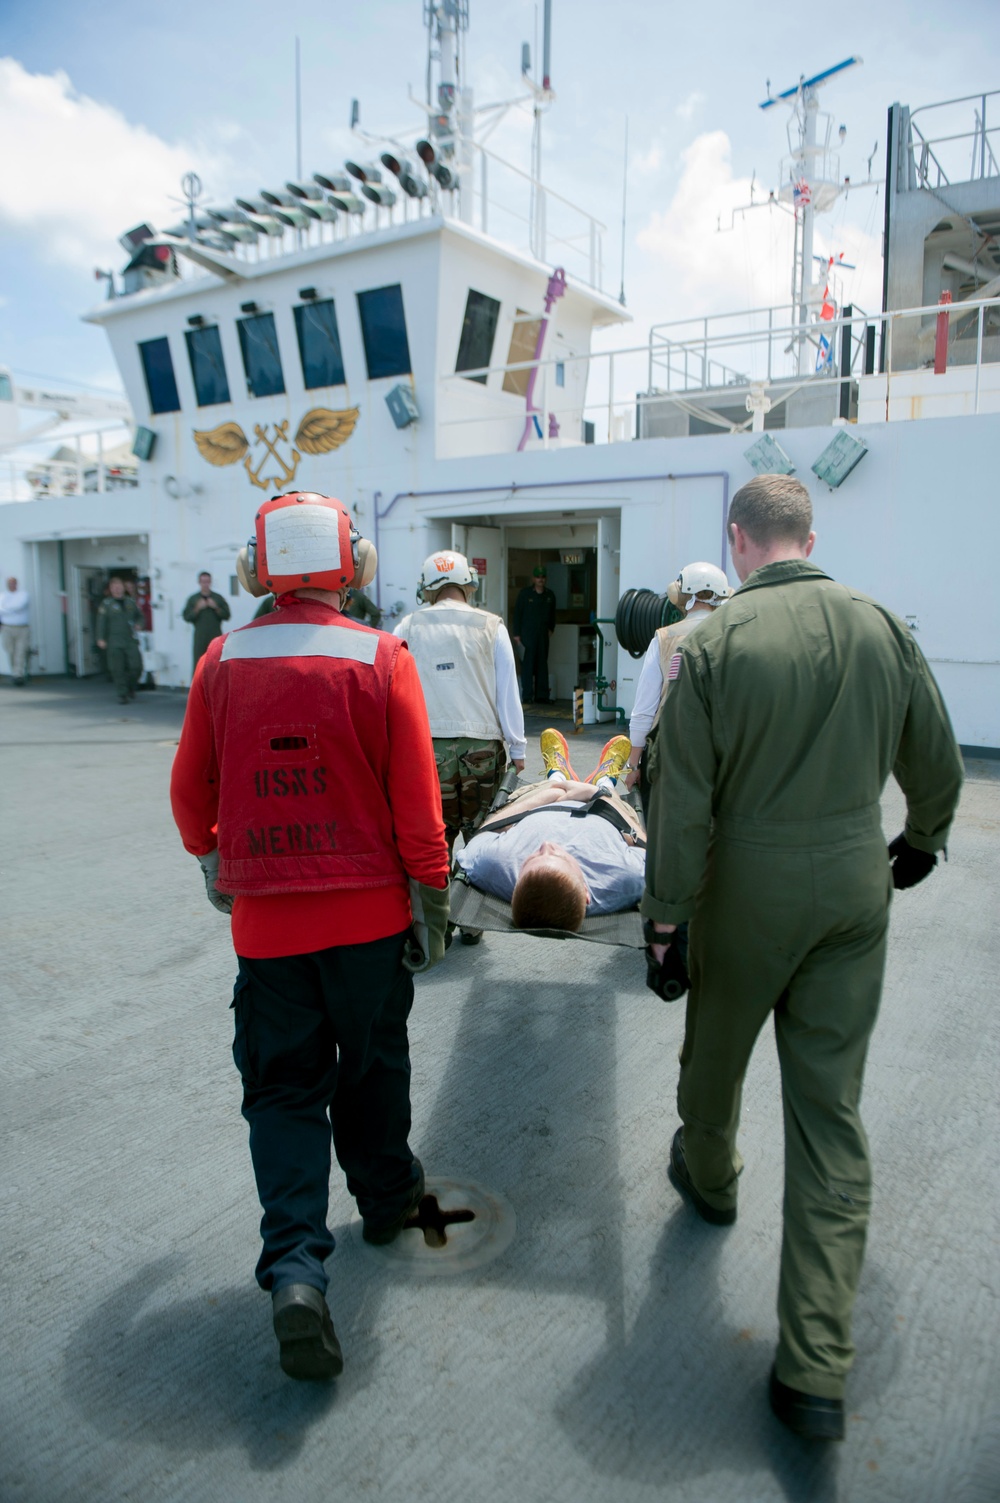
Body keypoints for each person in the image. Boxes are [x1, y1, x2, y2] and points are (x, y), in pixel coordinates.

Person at [641, 473, 964, 1441]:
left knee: (715, 1057)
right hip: (852, 883)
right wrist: (920, 838)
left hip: (746, 888)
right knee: (830, 1114)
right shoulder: (881, 626)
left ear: (738, 541)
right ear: (807, 537)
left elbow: (682, 802)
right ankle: (815, 1368)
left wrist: (666, 921)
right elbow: (937, 760)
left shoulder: (705, 644)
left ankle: (710, 1178)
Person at [170, 491, 450, 1384]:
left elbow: (189, 796)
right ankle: (383, 1197)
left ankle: (295, 1268)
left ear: (257, 572)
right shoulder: (382, 656)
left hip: (267, 930)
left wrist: (214, 857)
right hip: (369, 921)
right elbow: (418, 804)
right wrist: (430, 894)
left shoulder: (219, 661)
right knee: (371, 1064)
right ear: (355, 566)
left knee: (283, 1089)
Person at [395, 551, 526, 873]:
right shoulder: (491, 626)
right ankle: (472, 920)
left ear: (427, 586)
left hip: (426, 748)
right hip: (481, 749)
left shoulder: (407, 627)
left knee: (433, 842)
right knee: (482, 840)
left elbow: (392, 691)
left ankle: (436, 919)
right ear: (469, 582)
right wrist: (518, 747)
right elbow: (508, 691)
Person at [456, 728, 642, 929]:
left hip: (541, 803)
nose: (547, 845)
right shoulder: (626, 877)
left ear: (515, 886)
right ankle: (605, 778)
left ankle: (557, 775)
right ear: (586, 894)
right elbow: (642, 842)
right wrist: (596, 794)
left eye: (533, 857)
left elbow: (483, 832)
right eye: (560, 857)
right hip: (602, 809)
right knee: (611, 793)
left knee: (550, 784)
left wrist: (550, 795)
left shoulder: (493, 864)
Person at [624, 562, 730, 793]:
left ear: (682, 595)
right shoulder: (734, 637)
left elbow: (644, 709)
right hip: (721, 752)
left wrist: (633, 764)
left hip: (669, 750)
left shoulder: (663, 639)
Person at [512, 565, 556, 704]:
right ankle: (527, 696)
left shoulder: (550, 595)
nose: (540, 579)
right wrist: (517, 635)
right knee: (528, 666)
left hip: (542, 635)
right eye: (538, 577)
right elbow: (517, 614)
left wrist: (551, 629)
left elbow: (553, 615)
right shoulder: (525, 594)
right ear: (533, 578)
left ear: (546, 579)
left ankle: (542, 696)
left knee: (542, 665)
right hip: (527, 635)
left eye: (542, 577)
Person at [95, 577, 142, 703]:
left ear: (123, 587)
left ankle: (130, 687)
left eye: (119, 585)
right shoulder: (107, 604)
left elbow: (140, 617)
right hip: (114, 640)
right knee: (117, 668)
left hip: (130, 639)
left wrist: (139, 624)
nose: (116, 588)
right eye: (114, 586)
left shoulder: (130, 602)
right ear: (110, 589)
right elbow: (101, 622)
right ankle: (123, 694)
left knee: (136, 666)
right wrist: (100, 638)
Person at [181, 571, 230, 668]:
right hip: (200, 635)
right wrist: (197, 609)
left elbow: (227, 615)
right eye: (203, 582)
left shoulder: (217, 598)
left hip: (215, 635)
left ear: (210, 582)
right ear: (199, 582)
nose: (205, 584)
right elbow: (186, 617)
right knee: (199, 662)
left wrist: (216, 607)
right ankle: (198, 683)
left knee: (216, 661)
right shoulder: (193, 599)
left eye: (207, 581)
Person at [0, 575, 30, 685]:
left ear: (17, 584)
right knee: (10, 651)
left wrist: (5, 609)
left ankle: (18, 675)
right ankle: (15, 672)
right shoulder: (3, 595)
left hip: (22, 628)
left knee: (20, 651)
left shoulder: (23, 594)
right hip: (7, 628)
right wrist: (10, 610)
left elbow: (19, 606)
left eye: (13, 583)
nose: (11, 585)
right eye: (9, 583)